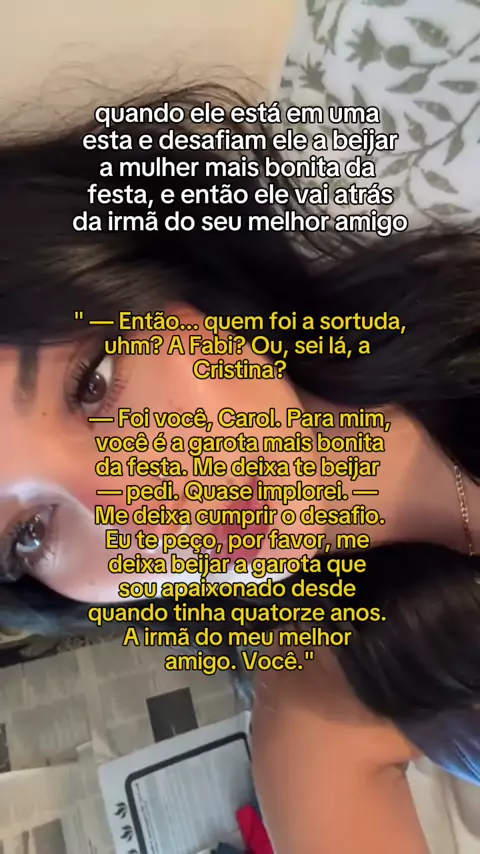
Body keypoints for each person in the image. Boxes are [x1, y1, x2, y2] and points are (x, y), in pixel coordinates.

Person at [0, 84, 479, 850]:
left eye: (94, 380)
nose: (143, 515)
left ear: (169, 270)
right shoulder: (321, 714)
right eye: (29, 532)